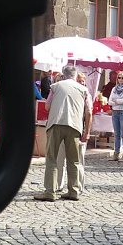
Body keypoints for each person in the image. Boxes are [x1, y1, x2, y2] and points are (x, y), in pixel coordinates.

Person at [34, 65, 91, 202]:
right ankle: (74, 191)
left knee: (52, 159)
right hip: (75, 126)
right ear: (75, 75)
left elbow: (47, 106)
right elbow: (89, 111)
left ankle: (50, 192)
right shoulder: (83, 89)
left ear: (64, 75)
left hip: (56, 123)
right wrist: (87, 132)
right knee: (74, 160)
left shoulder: (56, 86)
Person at [108, 72, 123, 162]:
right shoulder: (114, 88)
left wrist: (116, 101)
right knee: (116, 134)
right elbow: (109, 101)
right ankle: (116, 153)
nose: (120, 79)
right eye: (119, 78)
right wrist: (117, 101)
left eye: (122, 78)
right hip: (115, 112)